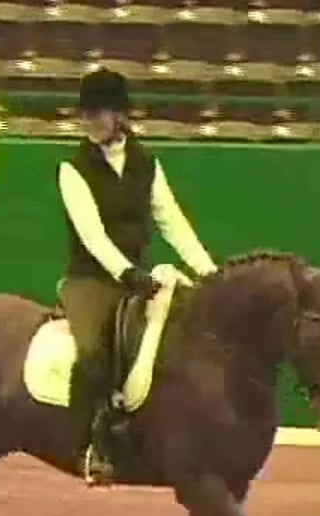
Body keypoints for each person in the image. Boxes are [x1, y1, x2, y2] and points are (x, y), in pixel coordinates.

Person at [58, 67, 220, 483]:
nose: (90, 122)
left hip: (138, 279)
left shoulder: (146, 163)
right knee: (92, 350)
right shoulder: (72, 168)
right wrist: (128, 273)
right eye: (85, 114)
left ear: (119, 114)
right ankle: (93, 445)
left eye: (98, 113)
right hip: (91, 280)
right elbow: (91, 235)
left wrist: (210, 273)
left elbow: (172, 222)